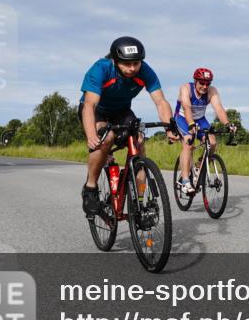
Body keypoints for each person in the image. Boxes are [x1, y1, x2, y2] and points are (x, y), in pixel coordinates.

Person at [79, 36, 178, 217]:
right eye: (127, 64)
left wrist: (169, 127)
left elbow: (161, 102)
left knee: (138, 141)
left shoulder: (145, 71)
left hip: (122, 111)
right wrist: (91, 135)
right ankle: (90, 187)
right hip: (97, 111)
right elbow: (89, 106)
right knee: (106, 138)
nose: (132, 68)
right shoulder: (101, 69)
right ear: (115, 61)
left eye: (136, 63)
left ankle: (140, 203)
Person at [174, 67, 235, 194]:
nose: (205, 86)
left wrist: (228, 124)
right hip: (183, 118)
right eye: (201, 83)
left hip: (200, 119)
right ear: (195, 81)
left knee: (212, 143)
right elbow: (186, 107)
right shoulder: (186, 88)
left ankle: (198, 165)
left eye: (207, 83)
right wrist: (190, 124)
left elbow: (218, 108)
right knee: (188, 142)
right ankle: (185, 181)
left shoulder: (212, 91)